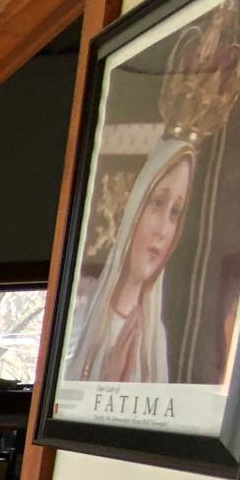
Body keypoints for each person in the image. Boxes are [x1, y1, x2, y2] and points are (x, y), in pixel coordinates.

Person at [63, 137, 195, 383]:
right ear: (135, 208)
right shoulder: (81, 311)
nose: (163, 230)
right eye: (157, 203)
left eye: (175, 212)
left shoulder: (156, 336)